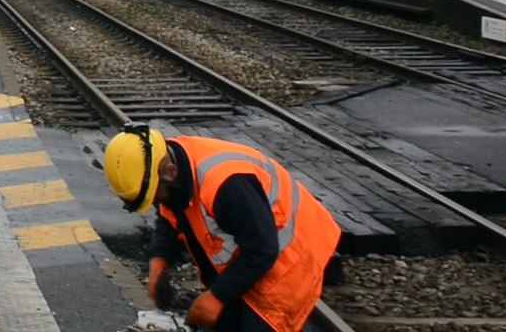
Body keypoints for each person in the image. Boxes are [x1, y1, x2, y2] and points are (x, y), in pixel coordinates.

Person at [102, 124, 341, 331]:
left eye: (155, 197)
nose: (156, 203)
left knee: (257, 321)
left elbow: (262, 249)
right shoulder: (168, 164)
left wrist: (217, 296)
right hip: (260, 243)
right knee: (226, 317)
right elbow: (169, 213)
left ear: (170, 172)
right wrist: (159, 258)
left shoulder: (227, 184)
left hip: (293, 252)